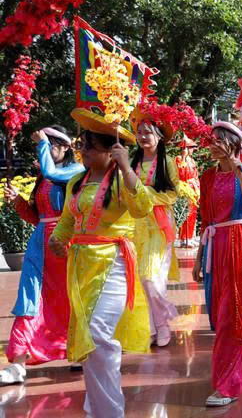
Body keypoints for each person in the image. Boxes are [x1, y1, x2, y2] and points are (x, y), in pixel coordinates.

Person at [49, 109, 153, 418]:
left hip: (113, 264)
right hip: (80, 268)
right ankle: (97, 409)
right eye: (82, 144)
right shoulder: (77, 183)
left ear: (111, 150)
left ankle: (110, 411)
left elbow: (143, 207)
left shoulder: (121, 181)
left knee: (97, 335)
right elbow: (68, 220)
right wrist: (58, 238)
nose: (82, 151)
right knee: (88, 339)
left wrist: (125, 166)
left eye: (90, 146)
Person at [0, 127, 83, 385]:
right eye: (47, 144)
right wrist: (19, 202)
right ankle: (18, 363)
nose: (47, 149)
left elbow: (51, 172)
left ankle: (76, 349)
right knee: (30, 298)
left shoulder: (75, 171)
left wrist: (42, 144)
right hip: (39, 244)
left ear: (66, 146)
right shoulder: (44, 177)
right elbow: (37, 217)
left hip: (65, 242)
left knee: (71, 298)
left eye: (52, 144)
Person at [192, 122, 242, 406]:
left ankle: (228, 383)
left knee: (233, 311)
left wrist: (237, 169)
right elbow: (205, 218)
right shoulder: (207, 176)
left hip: (238, 241)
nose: (211, 145)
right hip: (214, 243)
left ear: (231, 144)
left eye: (216, 140)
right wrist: (199, 257)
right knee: (219, 309)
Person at [130, 113, 180, 348]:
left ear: (159, 137)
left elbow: (172, 194)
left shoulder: (167, 164)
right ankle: (152, 326)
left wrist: (145, 194)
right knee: (140, 278)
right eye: (139, 132)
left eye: (147, 131)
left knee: (152, 278)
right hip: (134, 224)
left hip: (159, 224)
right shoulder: (131, 163)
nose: (142, 136)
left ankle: (162, 324)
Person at [175, 137, 200, 247]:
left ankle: (190, 236)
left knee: (192, 214)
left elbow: (195, 174)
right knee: (185, 213)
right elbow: (181, 173)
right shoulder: (179, 159)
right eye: (190, 148)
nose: (192, 150)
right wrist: (184, 158)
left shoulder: (192, 160)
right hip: (184, 188)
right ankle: (184, 238)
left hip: (193, 188)